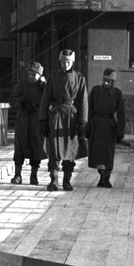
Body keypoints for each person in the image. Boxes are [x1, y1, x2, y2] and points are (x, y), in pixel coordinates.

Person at [38, 48, 88, 192]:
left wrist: (82, 122)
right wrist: (43, 119)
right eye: (63, 62)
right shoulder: (53, 77)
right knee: (54, 149)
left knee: (69, 150)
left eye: (68, 62)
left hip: (71, 118)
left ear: (72, 62)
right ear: (60, 62)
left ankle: (67, 180)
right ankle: (54, 181)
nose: (65, 65)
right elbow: (45, 99)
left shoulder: (79, 79)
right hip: (56, 117)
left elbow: (83, 101)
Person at [87, 68, 126, 189]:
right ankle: (100, 176)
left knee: (108, 154)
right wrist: (86, 127)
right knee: (97, 153)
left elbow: (121, 114)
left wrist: (120, 132)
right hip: (96, 125)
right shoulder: (95, 91)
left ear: (113, 81)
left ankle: (106, 178)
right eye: (104, 80)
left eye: (109, 81)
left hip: (109, 127)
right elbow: (88, 109)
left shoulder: (117, 94)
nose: (106, 83)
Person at [9, 60, 46, 185]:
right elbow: (12, 100)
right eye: (29, 74)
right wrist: (21, 100)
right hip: (23, 120)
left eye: (34, 75)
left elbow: (49, 99)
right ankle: (18, 175)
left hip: (36, 120)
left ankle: (33, 176)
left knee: (36, 147)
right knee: (19, 147)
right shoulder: (22, 84)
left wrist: (44, 85)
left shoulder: (43, 86)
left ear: (40, 75)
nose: (31, 77)